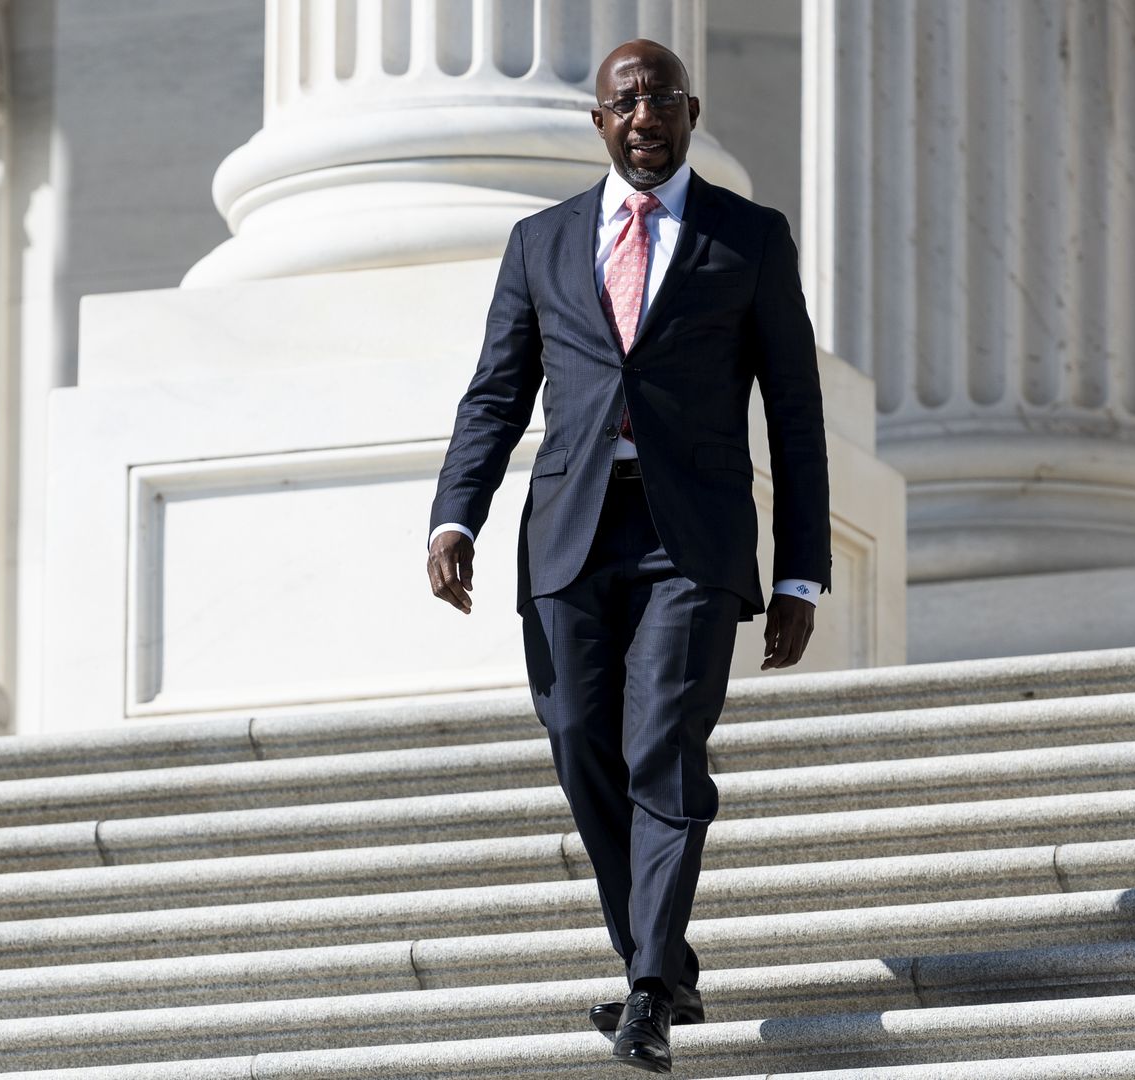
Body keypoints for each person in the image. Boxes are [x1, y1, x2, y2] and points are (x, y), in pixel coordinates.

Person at [424, 38, 832, 1074]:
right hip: (569, 533)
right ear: (599, 123)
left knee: (663, 746)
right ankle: (658, 954)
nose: (645, 114)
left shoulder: (749, 238)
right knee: (579, 742)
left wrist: (799, 570)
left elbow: (793, 409)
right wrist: (455, 516)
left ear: (691, 115)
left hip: (689, 540)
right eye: (626, 100)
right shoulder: (540, 242)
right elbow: (496, 392)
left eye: (663, 99)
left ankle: (649, 987)